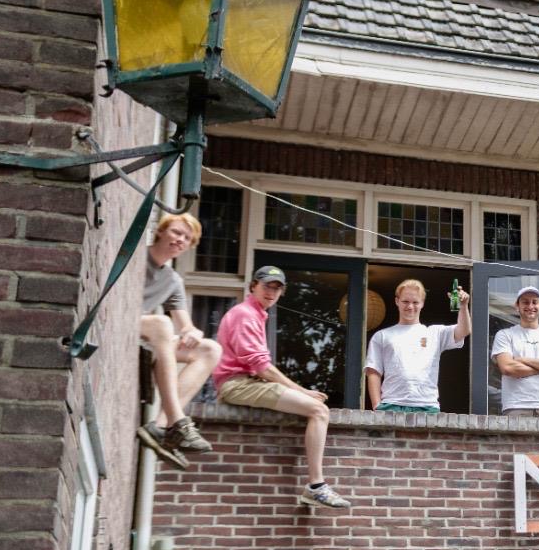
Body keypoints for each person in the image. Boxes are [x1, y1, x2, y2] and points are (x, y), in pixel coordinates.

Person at [213, 266, 351, 509]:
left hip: (243, 382)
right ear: (253, 286)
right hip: (238, 384)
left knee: (315, 409)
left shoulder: (255, 314)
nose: (272, 292)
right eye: (267, 286)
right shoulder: (245, 314)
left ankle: (315, 487)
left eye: (277, 288)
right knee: (319, 411)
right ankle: (316, 487)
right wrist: (302, 392)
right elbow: (262, 368)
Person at [136, 212, 221, 470]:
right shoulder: (137, 256)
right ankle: (179, 421)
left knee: (210, 349)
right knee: (162, 323)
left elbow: (186, 325)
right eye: (176, 232)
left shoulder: (173, 280)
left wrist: (192, 332)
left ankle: (160, 427)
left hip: (145, 336)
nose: (180, 240)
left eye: (187, 238)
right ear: (161, 231)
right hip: (120, 319)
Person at [365, 279, 470, 414]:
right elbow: (373, 371)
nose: (410, 306)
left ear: (422, 303)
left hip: (427, 405)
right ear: (397, 301)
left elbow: (464, 331)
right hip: (391, 404)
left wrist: (463, 306)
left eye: (415, 302)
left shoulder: (435, 333)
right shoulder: (382, 336)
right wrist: (376, 406)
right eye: (405, 301)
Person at [492, 285, 539, 418]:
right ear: (517, 306)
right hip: (516, 406)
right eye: (525, 302)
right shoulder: (504, 335)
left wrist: (523, 360)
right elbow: (508, 368)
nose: (530, 306)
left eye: (535, 302)